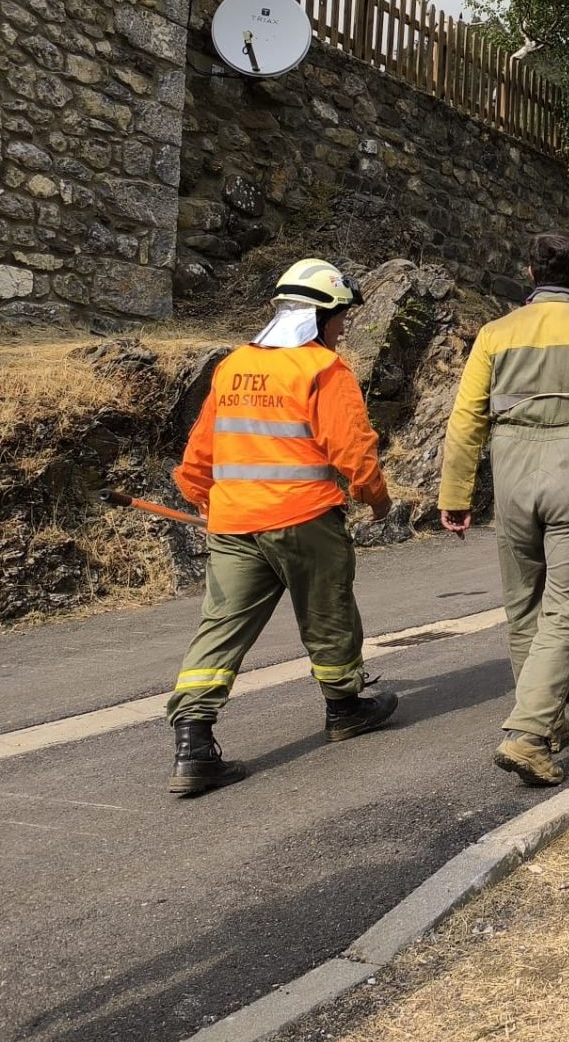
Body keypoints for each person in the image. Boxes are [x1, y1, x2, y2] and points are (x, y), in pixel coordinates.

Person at [164, 259, 399, 797]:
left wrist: (204, 498)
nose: (343, 327)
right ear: (318, 316)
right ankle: (345, 709)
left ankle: (193, 747)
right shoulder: (322, 370)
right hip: (304, 519)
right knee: (328, 614)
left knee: (220, 628)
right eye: (340, 316)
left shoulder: (233, 367)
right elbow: (353, 451)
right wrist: (377, 500)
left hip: (234, 523)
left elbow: (202, 449)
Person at [439, 232, 569, 788]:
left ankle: (549, 724)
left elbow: (464, 422)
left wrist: (455, 496)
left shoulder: (495, 334)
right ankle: (528, 734)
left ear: (529, 274)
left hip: (511, 469)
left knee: (522, 602)